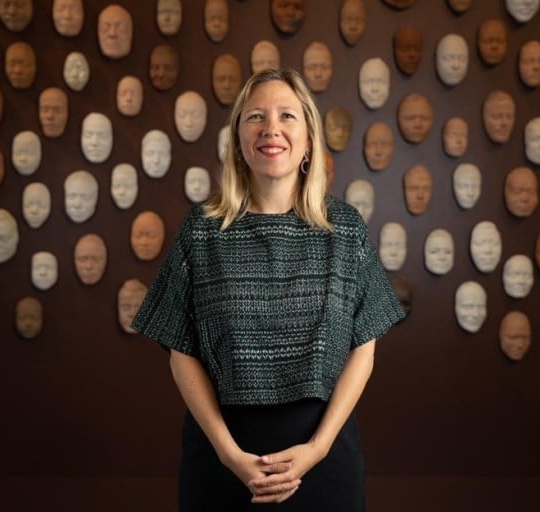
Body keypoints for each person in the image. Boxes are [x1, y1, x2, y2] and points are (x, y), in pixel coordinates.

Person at [132, 69, 404, 510]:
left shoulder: (345, 229)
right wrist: (229, 454)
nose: (270, 128)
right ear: (238, 140)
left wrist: (317, 448)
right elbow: (181, 351)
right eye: (255, 116)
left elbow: (364, 347)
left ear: (310, 138)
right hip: (223, 463)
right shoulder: (202, 231)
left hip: (324, 461)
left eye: (287, 116)